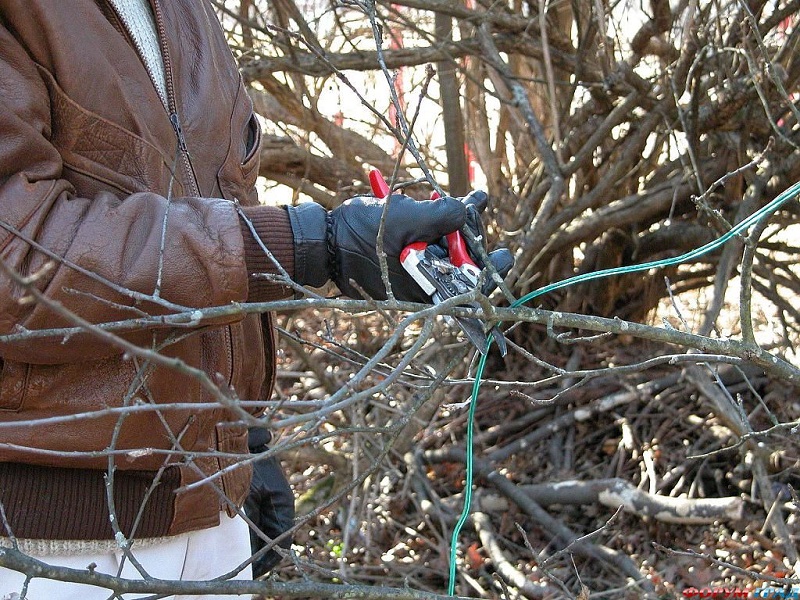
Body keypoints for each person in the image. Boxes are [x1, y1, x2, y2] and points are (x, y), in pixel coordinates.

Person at [0, 1, 512, 599]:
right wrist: (309, 244)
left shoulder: (184, 12)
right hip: (48, 549)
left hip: (212, 515)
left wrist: (242, 437)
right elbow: (20, 262)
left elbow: (212, 211)